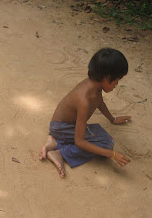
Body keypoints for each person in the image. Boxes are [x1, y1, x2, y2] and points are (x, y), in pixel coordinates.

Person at [39, 48, 131, 178]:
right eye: (117, 79)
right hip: (62, 128)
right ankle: (60, 152)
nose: (117, 84)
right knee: (106, 144)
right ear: (106, 77)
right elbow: (80, 142)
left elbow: (100, 102)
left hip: (63, 127)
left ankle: (54, 141)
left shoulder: (94, 85)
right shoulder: (84, 100)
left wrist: (113, 119)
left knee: (103, 137)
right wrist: (112, 154)